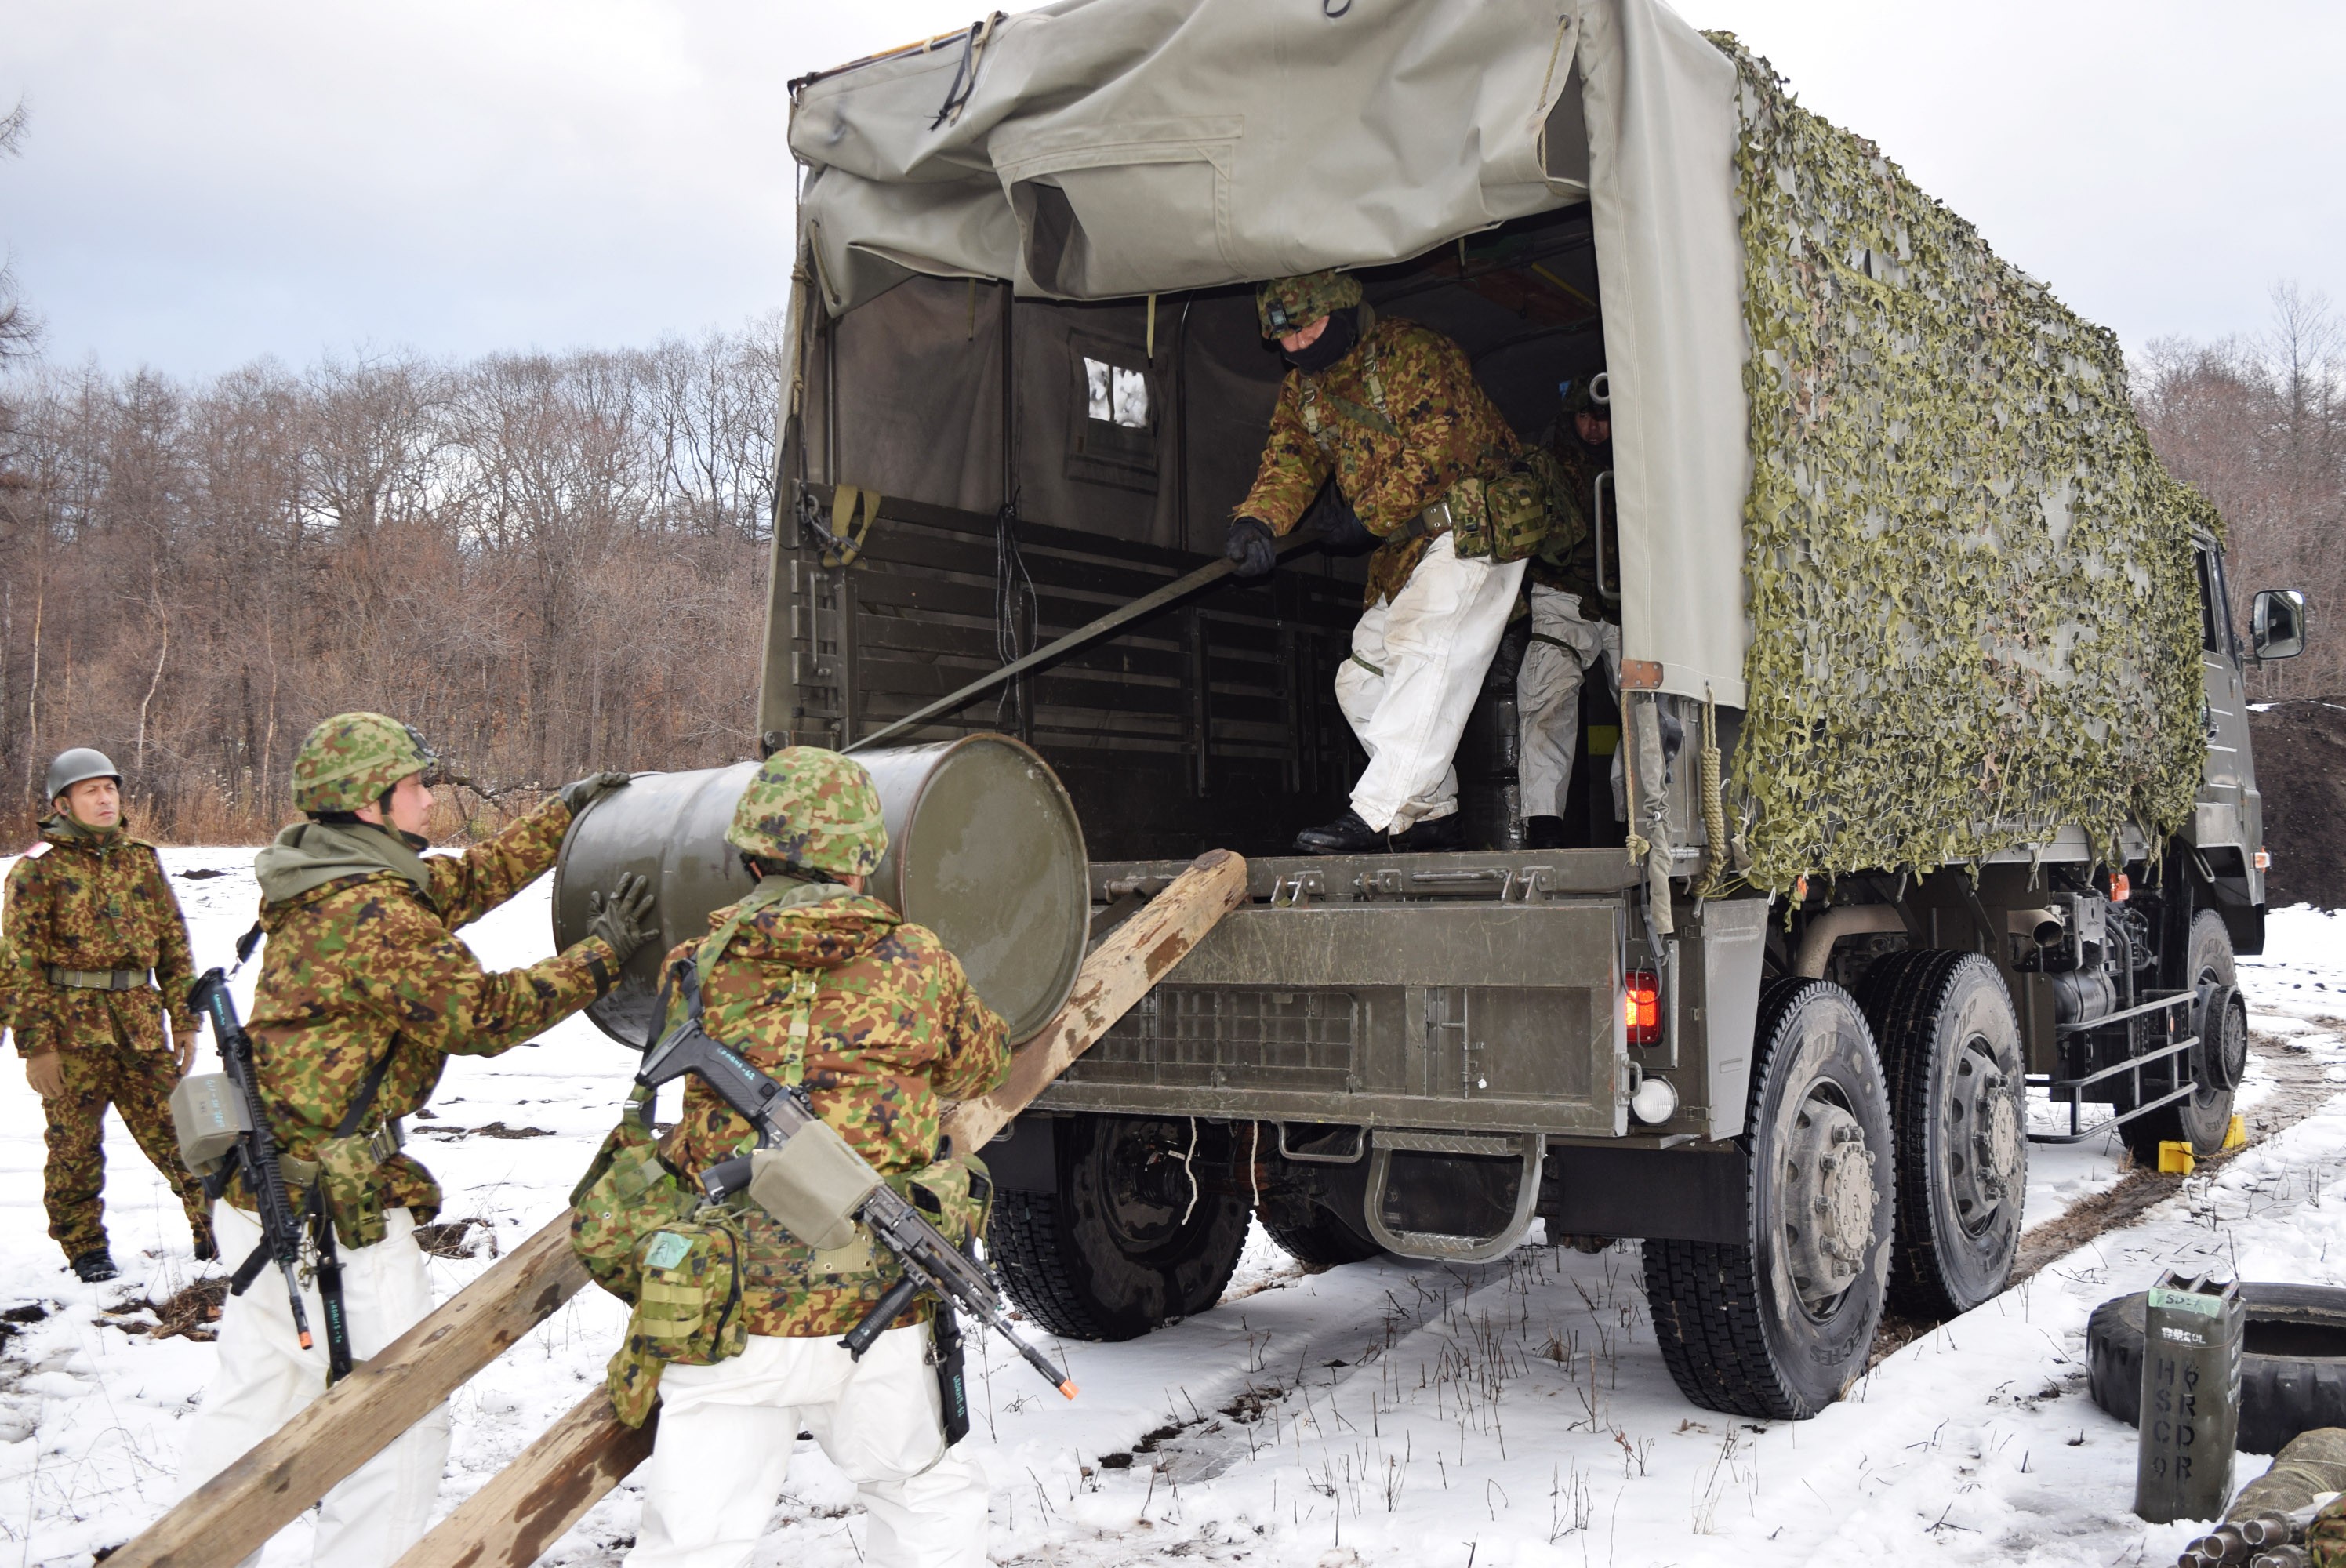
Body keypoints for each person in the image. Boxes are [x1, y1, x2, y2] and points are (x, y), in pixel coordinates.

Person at [176, 712, 657, 1568]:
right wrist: (602, 956)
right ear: (370, 804)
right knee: (395, 1419)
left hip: (265, 1188)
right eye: (416, 787)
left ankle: (186, 1552)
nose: (432, 800)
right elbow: (482, 1015)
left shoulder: (324, 877)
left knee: (260, 1390)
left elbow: (463, 881)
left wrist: (564, 815)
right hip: (334, 1213)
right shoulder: (372, 910)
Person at [626, 746, 1010, 1568]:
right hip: (875, 1296)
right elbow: (982, 1063)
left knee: (690, 1541)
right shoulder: (920, 961)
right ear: (861, 854)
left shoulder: (698, 963)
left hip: (731, 1302)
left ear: (753, 850)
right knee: (925, 1501)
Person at [1225, 270, 1532, 854]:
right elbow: (1292, 458)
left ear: (1341, 310)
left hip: (1471, 526)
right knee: (1360, 680)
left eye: (1308, 330)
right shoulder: (1303, 389)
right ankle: (1432, 811)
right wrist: (1258, 521)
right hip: (1408, 550)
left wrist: (1369, 515)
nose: (1298, 349)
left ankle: (1380, 809)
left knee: (1423, 647)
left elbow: (1445, 439)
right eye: (1283, 341)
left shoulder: (1411, 351)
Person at [2, 747, 212, 1283]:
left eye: (110, 789)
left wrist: (184, 1017)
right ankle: (85, 1248)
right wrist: (37, 1048)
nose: (104, 799)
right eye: (90, 790)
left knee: (184, 1134)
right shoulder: (36, 871)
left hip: (140, 1026)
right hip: (71, 1032)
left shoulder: (140, 858)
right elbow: (18, 965)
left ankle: (216, 1229)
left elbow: (172, 942)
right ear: (63, 803)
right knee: (74, 1148)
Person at [1519, 376, 1624, 848]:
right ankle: (1543, 824)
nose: (1594, 428)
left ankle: (1640, 822)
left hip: (1630, 604)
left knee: (1649, 714)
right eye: (1585, 416)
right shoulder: (1548, 465)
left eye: (1602, 417)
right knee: (1547, 704)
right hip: (1562, 598)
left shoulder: (1640, 461)